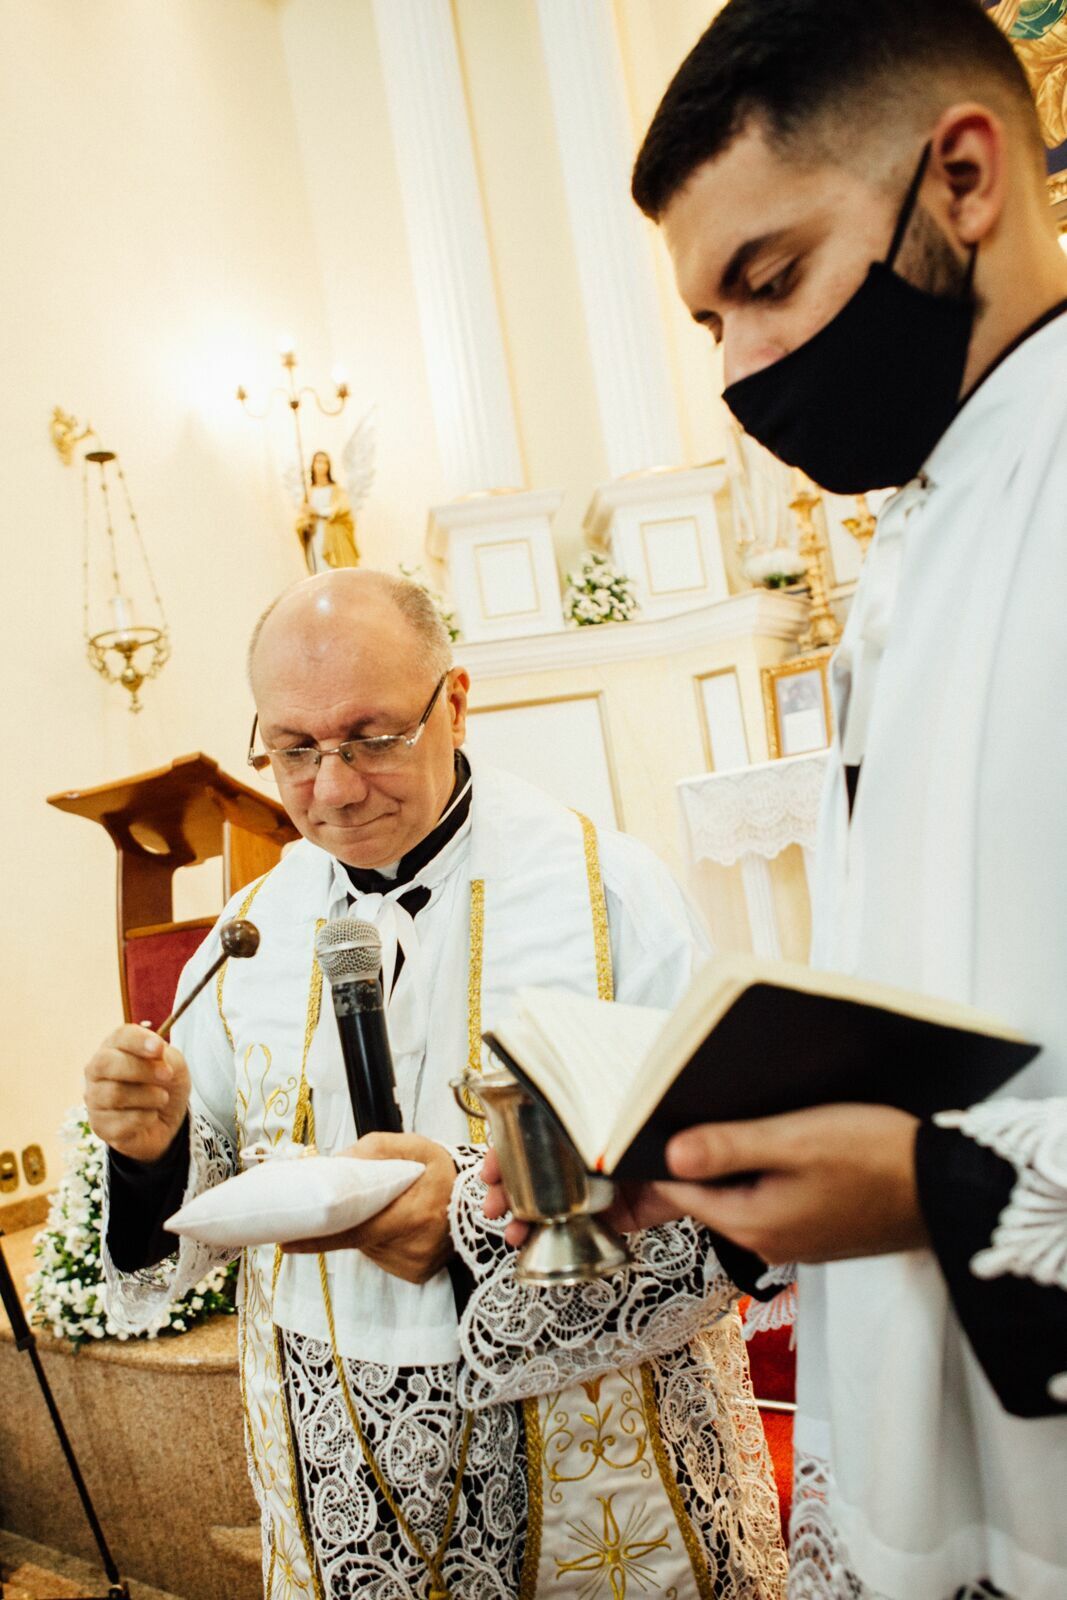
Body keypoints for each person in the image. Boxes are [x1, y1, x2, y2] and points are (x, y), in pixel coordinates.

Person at [588, 3, 1067, 1596]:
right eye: (705, 321)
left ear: (962, 175)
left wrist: (942, 1187)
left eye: (768, 279)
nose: (736, 372)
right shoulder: (912, 544)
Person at [84, 570, 787, 1599]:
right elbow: (191, 1213)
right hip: (342, 1466)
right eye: (292, 749)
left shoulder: (607, 897)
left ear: (453, 701)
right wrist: (151, 1148)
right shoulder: (247, 940)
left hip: (597, 1459)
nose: (330, 787)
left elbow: (736, 1204)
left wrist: (462, 1216)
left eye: (370, 736)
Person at [297, 450, 359, 573]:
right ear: (313, 466)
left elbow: (342, 509)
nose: (321, 466)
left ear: (329, 466)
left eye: (324, 462)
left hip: (334, 538)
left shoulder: (336, 490)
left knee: (334, 571)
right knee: (318, 570)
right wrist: (306, 525)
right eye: (318, 462)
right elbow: (302, 519)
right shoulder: (309, 492)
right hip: (315, 538)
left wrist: (317, 511)